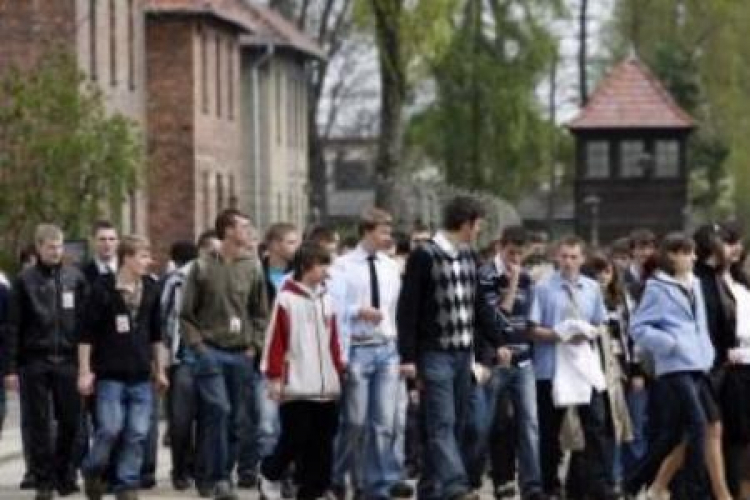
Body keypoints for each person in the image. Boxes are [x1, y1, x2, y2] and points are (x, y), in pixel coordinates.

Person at [397, 195, 485, 500]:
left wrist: (496, 344)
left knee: (460, 425)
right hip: (434, 354)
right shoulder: (424, 255)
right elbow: (407, 310)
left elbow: (479, 306)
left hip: (464, 354)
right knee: (442, 423)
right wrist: (407, 357)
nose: (479, 231)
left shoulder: (470, 256)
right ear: (466, 223)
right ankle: (456, 485)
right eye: (478, 225)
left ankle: (430, 490)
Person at [180, 209, 269, 500]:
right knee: (219, 410)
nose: (249, 230)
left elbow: (260, 312)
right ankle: (218, 479)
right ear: (228, 230)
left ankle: (218, 474)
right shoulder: (202, 267)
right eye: (244, 225)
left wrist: (253, 346)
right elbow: (186, 314)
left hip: (241, 353)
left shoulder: (253, 266)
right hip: (210, 352)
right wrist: (199, 348)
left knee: (235, 419)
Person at [626, 233, 720, 500]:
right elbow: (638, 327)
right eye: (688, 253)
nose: (694, 257)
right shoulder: (657, 287)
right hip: (675, 367)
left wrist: (707, 352)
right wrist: (670, 343)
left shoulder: (696, 283)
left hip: (698, 364)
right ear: (672, 256)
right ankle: (693, 491)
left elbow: (700, 323)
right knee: (698, 425)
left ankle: (630, 483)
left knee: (672, 435)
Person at [330, 208, 412, 500]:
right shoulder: (342, 266)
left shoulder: (391, 267)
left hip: (386, 348)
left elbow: (396, 311)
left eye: (389, 231)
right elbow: (335, 308)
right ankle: (339, 475)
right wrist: (358, 311)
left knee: (383, 422)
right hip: (357, 347)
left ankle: (378, 485)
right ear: (367, 230)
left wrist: (404, 352)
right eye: (383, 231)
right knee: (354, 421)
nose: (388, 237)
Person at [78, 235, 167, 500]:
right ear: (127, 258)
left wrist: (160, 369)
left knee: (138, 432)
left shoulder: (151, 289)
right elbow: (86, 335)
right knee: (110, 428)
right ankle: (93, 469)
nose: (148, 262)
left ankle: (126, 483)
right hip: (109, 375)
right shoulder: (103, 288)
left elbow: (157, 335)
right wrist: (85, 371)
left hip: (141, 375)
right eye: (142, 256)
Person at [5, 224, 88, 500]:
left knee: (71, 421)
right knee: (39, 424)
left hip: (67, 359)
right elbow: (13, 326)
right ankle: (43, 480)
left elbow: (86, 322)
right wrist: (10, 368)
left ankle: (64, 473)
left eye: (59, 246)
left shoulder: (74, 278)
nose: (56, 252)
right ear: (39, 247)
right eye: (51, 247)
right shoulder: (24, 281)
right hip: (35, 361)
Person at [529, 235, 616, 500]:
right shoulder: (543, 288)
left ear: (582, 259)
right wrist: (560, 334)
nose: (568, 262)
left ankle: (596, 483)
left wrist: (587, 332)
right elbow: (532, 329)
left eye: (573, 257)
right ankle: (550, 485)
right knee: (550, 429)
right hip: (552, 365)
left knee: (596, 424)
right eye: (564, 256)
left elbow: (600, 322)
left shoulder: (591, 288)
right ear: (557, 257)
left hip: (583, 365)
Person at [258, 242, 344, 500]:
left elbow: (334, 339)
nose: (328, 271)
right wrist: (274, 377)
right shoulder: (286, 299)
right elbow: (276, 340)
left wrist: (338, 369)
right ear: (308, 267)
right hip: (296, 382)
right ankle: (270, 473)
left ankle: (314, 489)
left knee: (323, 440)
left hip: (326, 384)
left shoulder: (327, 298)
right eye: (323, 265)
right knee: (295, 437)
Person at [468, 226, 546, 500]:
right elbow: (495, 317)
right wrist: (511, 286)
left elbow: (525, 320)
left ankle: (532, 486)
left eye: (520, 254)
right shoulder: (486, 275)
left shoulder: (527, 278)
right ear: (501, 247)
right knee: (482, 425)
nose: (515, 259)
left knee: (530, 425)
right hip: (494, 362)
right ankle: (471, 481)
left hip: (523, 361)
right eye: (511, 252)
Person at [160, 240, 200, 491]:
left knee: (202, 418)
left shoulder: (174, 279)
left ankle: (192, 468)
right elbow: (164, 320)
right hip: (183, 357)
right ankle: (182, 468)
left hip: (205, 357)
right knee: (182, 419)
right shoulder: (175, 281)